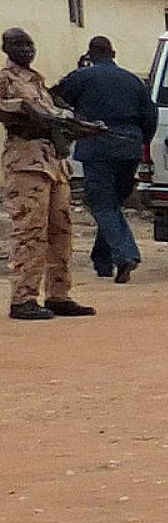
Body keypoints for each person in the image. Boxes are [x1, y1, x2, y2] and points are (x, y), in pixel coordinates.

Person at [0, 28, 96, 320]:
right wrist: (25, 109)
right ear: (6, 48)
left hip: (54, 162)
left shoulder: (38, 81)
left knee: (60, 230)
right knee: (30, 229)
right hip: (26, 162)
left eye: (29, 44)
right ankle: (23, 298)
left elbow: (57, 115)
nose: (27, 50)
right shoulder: (6, 79)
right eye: (19, 44)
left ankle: (58, 294)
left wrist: (80, 127)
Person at [52, 36, 158, 283]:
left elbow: (53, 97)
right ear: (114, 53)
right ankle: (102, 261)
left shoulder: (82, 76)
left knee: (103, 205)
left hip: (97, 146)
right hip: (129, 148)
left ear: (90, 54)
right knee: (111, 206)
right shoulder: (133, 80)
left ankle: (125, 255)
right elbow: (151, 117)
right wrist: (140, 142)